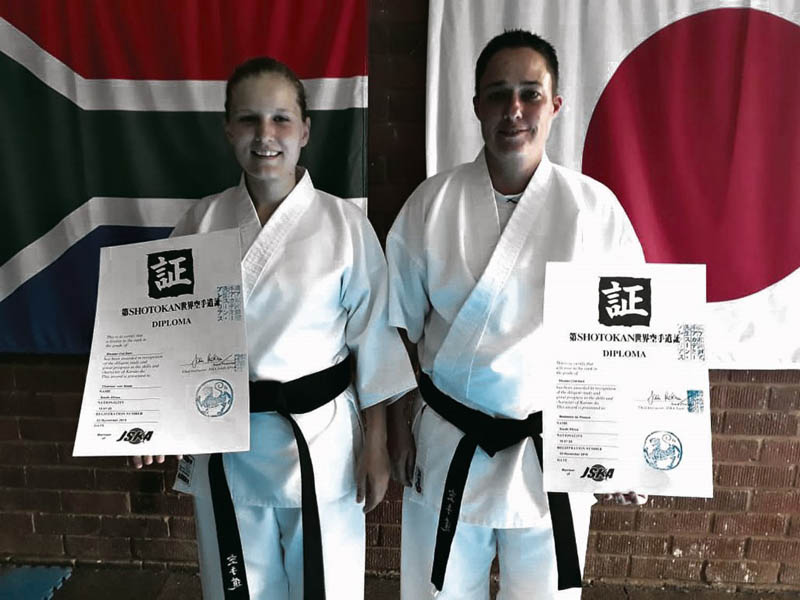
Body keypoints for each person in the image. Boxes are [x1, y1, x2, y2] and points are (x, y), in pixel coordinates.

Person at [133, 56, 416, 600]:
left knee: (327, 587)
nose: (265, 135)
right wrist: (147, 416)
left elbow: (375, 344)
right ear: (228, 130)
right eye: (248, 120)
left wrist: (377, 443)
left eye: (281, 119)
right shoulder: (200, 223)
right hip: (225, 442)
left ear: (305, 131)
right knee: (237, 586)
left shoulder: (344, 225)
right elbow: (163, 334)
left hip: (322, 442)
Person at [386, 30, 646, 600]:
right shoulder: (431, 204)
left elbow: (629, 340)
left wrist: (624, 443)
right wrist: (398, 426)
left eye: (531, 93)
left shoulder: (594, 210)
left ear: (555, 105)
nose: (514, 110)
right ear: (476, 105)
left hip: (555, 446)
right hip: (449, 438)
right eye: (498, 94)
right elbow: (396, 326)